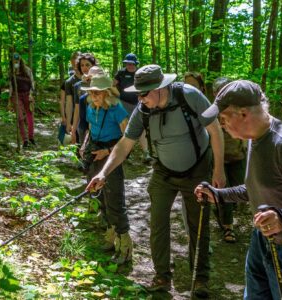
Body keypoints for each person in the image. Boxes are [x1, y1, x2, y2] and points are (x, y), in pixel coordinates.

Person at [87, 64, 225, 296]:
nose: (140, 98)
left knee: (198, 225)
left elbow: (215, 130)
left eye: (144, 93)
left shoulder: (190, 96)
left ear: (161, 88)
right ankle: (161, 276)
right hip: (163, 171)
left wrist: (218, 170)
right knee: (158, 223)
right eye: (138, 93)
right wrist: (104, 173)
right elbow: (124, 144)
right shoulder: (142, 110)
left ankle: (200, 278)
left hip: (197, 168)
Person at [195, 80, 282, 299]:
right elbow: (257, 186)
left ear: (243, 114)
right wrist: (220, 196)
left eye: (224, 119)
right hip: (262, 240)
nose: (222, 126)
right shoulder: (254, 138)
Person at [80, 74, 132, 265]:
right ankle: (111, 233)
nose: (94, 96)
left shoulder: (116, 108)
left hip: (113, 151)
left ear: (107, 92)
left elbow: (128, 137)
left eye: (98, 92)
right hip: (94, 150)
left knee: (115, 197)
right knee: (97, 193)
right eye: (92, 92)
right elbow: (89, 128)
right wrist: (85, 145)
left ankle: (124, 246)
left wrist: (109, 151)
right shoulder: (90, 107)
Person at [212, 77, 247, 243]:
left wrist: (245, 147)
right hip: (220, 158)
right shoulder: (212, 111)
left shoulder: (240, 108)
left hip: (238, 156)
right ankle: (228, 227)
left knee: (239, 188)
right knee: (225, 189)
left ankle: (221, 209)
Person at [114, 53, 151, 163]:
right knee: (125, 128)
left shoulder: (139, 73)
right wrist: (116, 96)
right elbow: (113, 84)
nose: (129, 65)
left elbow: (145, 87)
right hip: (123, 103)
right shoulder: (121, 73)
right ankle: (126, 154)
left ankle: (146, 153)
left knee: (142, 127)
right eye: (127, 63)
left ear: (135, 64)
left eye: (131, 63)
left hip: (138, 103)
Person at [9, 53, 35, 148]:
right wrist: (9, 100)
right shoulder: (12, 72)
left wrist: (31, 94)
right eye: (14, 61)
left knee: (29, 115)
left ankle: (31, 137)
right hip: (16, 96)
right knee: (19, 117)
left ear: (20, 61)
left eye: (17, 61)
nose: (16, 63)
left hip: (27, 94)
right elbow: (11, 86)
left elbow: (32, 83)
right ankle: (25, 140)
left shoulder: (27, 70)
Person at [71, 53, 98, 144]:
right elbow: (77, 108)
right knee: (84, 152)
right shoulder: (77, 86)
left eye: (87, 65)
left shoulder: (100, 84)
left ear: (93, 66)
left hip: (98, 124)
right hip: (83, 125)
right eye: (82, 65)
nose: (84, 68)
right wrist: (73, 130)